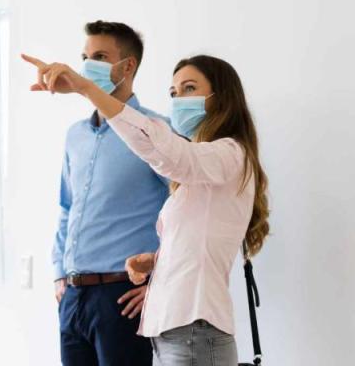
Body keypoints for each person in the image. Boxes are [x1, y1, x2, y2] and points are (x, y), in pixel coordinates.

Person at [21, 53, 270, 366]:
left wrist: (87, 88)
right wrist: (157, 261)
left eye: (189, 88)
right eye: (174, 93)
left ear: (222, 98)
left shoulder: (228, 154)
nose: (179, 99)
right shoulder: (204, 168)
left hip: (194, 332)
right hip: (179, 332)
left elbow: (161, 149)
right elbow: (202, 241)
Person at [49, 21, 170, 366]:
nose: (88, 66)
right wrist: (60, 272)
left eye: (100, 56)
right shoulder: (75, 135)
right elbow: (66, 207)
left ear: (127, 66)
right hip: (73, 297)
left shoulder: (156, 131)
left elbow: (187, 215)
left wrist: (161, 283)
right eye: (85, 56)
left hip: (123, 297)